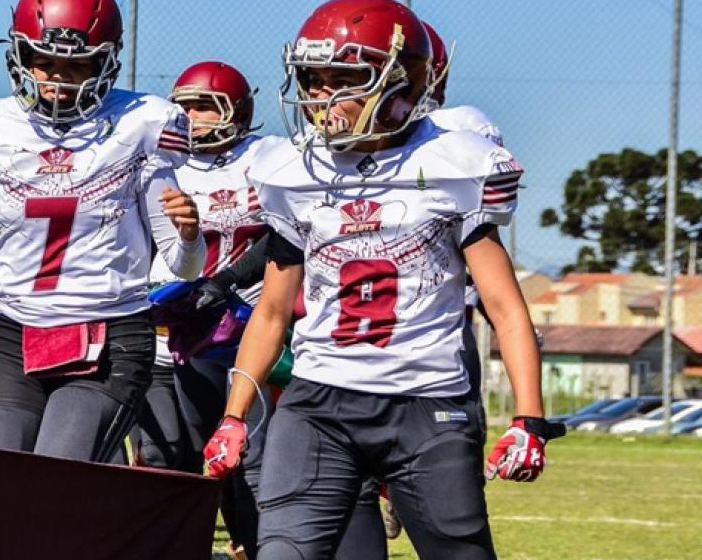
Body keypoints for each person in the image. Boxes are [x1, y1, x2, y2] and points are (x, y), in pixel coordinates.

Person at [202, 2, 560, 558]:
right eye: (312, 80)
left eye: (342, 80)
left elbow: (505, 306)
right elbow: (273, 312)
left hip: (426, 405)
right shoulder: (294, 174)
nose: (320, 98)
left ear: (399, 84)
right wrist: (235, 416)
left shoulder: (454, 164)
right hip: (319, 402)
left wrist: (529, 418)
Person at [0, 0, 206, 463]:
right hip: (10, 336)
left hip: (109, 334)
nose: (58, 79)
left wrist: (192, 237)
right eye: (45, 64)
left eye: (77, 66)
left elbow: (183, 266)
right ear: (20, 60)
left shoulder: (141, 124)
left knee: (57, 473)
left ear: (106, 62)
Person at [142, 60, 273, 559]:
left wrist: (227, 283)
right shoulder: (158, 163)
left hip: (247, 324)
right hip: (175, 331)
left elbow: (283, 235)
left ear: (239, 112)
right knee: (173, 452)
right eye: (187, 106)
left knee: (249, 453)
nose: (193, 117)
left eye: (206, 106)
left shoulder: (267, 159)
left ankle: (254, 543)